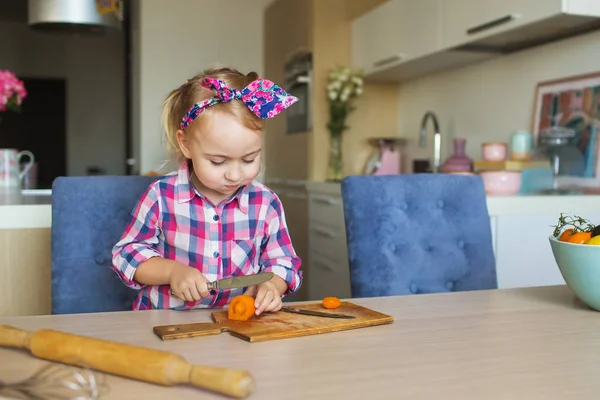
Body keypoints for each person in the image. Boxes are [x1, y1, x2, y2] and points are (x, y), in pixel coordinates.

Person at [111, 67, 303, 315]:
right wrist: (172, 272)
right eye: (218, 161)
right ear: (186, 144)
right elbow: (126, 255)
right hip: (164, 321)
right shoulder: (161, 196)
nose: (234, 175)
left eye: (249, 159)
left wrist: (272, 285)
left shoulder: (266, 203)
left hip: (238, 325)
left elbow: (285, 263)